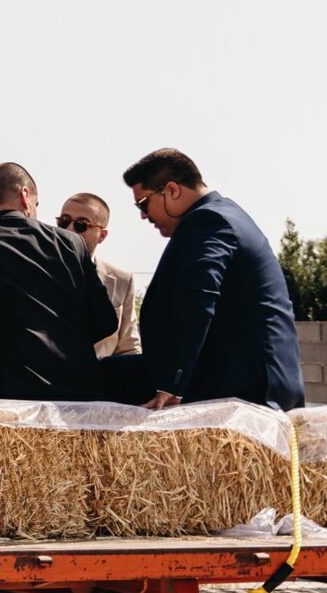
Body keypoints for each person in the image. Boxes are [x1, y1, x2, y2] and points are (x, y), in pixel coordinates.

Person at [116, 149, 303, 410]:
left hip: (241, 388)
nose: (143, 215)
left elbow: (197, 298)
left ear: (172, 190)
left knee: (93, 380)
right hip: (245, 378)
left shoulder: (209, 220)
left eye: (143, 204)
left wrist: (173, 383)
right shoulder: (227, 214)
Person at [0, 163, 115, 401]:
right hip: (77, 392)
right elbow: (105, 321)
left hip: (3, 396)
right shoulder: (71, 243)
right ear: (25, 196)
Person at [57, 191, 141, 358]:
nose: (69, 229)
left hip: (98, 380)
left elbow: (129, 347)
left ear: (102, 235)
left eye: (81, 224)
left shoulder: (122, 279)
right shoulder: (38, 268)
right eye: (64, 221)